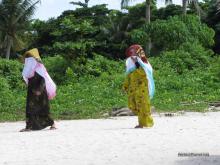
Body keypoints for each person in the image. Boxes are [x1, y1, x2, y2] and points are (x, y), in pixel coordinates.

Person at [19, 48, 57, 132]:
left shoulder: (39, 67)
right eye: (27, 57)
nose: (27, 59)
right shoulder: (29, 68)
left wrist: (39, 90)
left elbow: (43, 79)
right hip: (31, 92)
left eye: (29, 57)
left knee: (43, 109)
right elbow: (27, 78)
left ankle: (52, 123)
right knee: (30, 109)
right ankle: (29, 126)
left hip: (40, 93)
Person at [123, 44, 155, 128]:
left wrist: (137, 63)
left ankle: (145, 123)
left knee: (143, 107)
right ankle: (144, 123)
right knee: (134, 106)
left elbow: (144, 74)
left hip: (142, 90)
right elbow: (128, 77)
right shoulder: (131, 66)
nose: (132, 58)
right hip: (133, 90)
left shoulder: (144, 65)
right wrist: (124, 87)